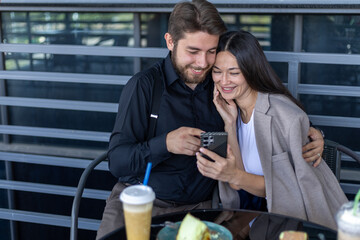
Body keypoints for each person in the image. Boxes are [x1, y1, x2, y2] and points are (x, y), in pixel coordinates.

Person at [97, 1, 324, 238]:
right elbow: (118, 161)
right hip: (141, 203)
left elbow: (269, 110)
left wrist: (311, 133)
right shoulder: (144, 86)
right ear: (170, 41)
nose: (203, 63)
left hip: (203, 210)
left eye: (211, 51)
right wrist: (165, 144)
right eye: (193, 51)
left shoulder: (221, 83)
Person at [195, 30, 348, 230]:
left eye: (234, 72)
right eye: (217, 71)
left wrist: (232, 175)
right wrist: (230, 124)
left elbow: (289, 189)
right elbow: (237, 183)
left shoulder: (285, 116)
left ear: (251, 70)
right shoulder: (228, 110)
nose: (223, 81)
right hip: (249, 221)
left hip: (291, 223)